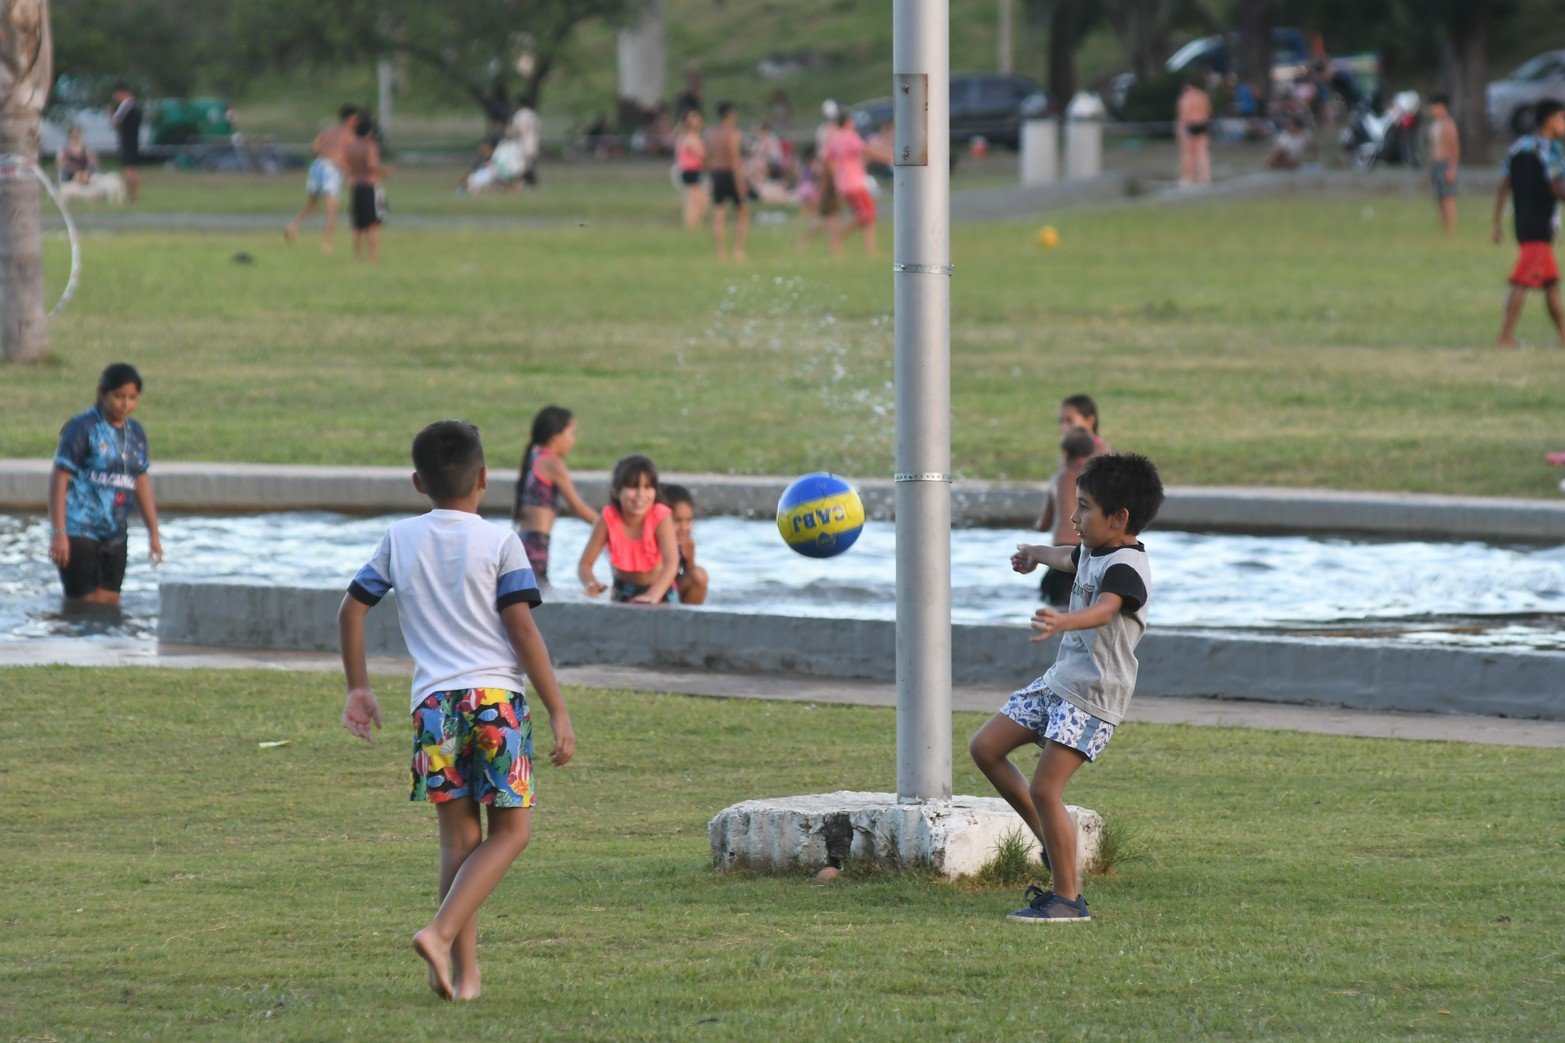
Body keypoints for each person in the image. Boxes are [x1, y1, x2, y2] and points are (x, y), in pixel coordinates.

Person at [337, 419, 575, 1001]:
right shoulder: (501, 542)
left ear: (418, 482)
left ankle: (464, 978)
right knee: (512, 833)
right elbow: (521, 628)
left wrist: (359, 688)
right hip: (495, 699)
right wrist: (558, 710)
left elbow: (351, 609)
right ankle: (440, 934)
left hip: (435, 707)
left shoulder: (399, 539)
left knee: (458, 844)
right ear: (485, 478)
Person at [969, 453, 1165, 923]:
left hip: (1094, 695)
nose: (1073, 517)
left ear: (1119, 518)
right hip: (1060, 682)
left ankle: (1067, 900)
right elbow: (1068, 558)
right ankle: (1052, 845)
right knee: (986, 747)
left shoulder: (1127, 566)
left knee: (1046, 788)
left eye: (1084, 508)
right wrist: (1035, 555)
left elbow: (1105, 608)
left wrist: (1065, 621)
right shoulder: (1095, 550)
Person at [48, 362, 163, 605]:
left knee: (111, 601)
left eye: (132, 398)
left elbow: (140, 481)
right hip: (80, 529)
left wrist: (154, 533)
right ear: (102, 395)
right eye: (119, 396)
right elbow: (60, 478)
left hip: (115, 532)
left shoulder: (136, 434)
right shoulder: (83, 428)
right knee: (83, 604)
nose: (126, 404)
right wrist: (59, 533)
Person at [1491, 100, 1565, 349]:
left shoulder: (1519, 147)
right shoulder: (1551, 150)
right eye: (1561, 118)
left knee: (1551, 283)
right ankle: (1505, 337)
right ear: (1549, 120)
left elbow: (1503, 186)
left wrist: (1496, 222)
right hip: (1540, 224)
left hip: (1523, 221)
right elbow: (1555, 187)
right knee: (1521, 281)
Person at [512, 406, 597, 587]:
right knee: (537, 593)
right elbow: (578, 507)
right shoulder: (553, 463)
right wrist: (608, 527)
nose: (573, 441)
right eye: (571, 433)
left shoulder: (535, 455)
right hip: (536, 544)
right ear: (555, 436)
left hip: (525, 540)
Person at [577, 454, 679, 604]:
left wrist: (652, 596)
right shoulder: (608, 519)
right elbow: (584, 564)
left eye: (647, 487)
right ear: (616, 491)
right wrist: (590, 583)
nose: (641, 494)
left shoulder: (660, 517)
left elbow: (672, 562)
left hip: (660, 589)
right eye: (633, 487)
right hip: (623, 591)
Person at [1035, 427, 1097, 607]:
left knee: (1055, 604)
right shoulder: (1096, 480)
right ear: (1091, 452)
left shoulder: (1059, 478)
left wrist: (1037, 525)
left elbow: (1044, 524)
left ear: (1064, 453)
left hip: (1061, 559)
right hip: (1086, 555)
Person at [286, 105, 359, 252]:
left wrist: (325, 153)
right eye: (356, 118)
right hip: (331, 169)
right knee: (332, 209)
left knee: (312, 204)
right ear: (351, 118)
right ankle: (327, 243)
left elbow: (314, 147)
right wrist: (350, 174)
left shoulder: (329, 130)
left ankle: (293, 225)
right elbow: (344, 158)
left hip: (317, 165)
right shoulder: (350, 134)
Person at [823, 113, 891, 255]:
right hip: (854, 182)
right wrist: (888, 158)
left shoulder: (835, 138)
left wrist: (833, 175)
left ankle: (870, 248)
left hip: (842, 182)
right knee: (866, 214)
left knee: (866, 215)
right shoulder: (850, 136)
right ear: (847, 122)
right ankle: (840, 236)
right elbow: (865, 151)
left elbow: (827, 158)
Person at [706, 102, 749, 261]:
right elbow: (734, 159)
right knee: (742, 212)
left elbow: (708, 156)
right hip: (730, 173)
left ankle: (721, 252)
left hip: (716, 173)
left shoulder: (711, 133)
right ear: (730, 115)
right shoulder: (733, 134)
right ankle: (738, 250)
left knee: (719, 213)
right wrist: (740, 181)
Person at [344, 115, 386, 264]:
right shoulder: (370, 146)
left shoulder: (350, 146)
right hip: (369, 186)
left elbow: (347, 163)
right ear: (369, 132)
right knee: (371, 224)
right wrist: (385, 171)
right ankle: (373, 257)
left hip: (355, 185)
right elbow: (372, 166)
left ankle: (356, 256)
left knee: (358, 225)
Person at [661, 483, 709, 605]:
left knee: (699, 576)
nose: (684, 528)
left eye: (689, 520)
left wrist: (689, 562)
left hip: (670, 593)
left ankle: (689, 620)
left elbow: (694, 579)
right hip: (646, 593)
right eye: (677, 520)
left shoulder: (686, 544)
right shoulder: (651, 542)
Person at [1426, 93, 1460, 234]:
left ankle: (1451, 227)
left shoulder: (1449, 124)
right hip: (1436, 163)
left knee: (1447, 198)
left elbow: (1454, 147)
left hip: (1446, 163)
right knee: (1439, 197)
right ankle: (1444, 225)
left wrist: (1451, 169)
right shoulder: (1435, 125)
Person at [674, 110, 708, 229]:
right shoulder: (690, 137)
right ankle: (692, 225)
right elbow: (702, 154)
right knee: (695, 201)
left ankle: (693, 224)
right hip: (690, 171)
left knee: (697, 200)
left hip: (693, 171)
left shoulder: (688, 136)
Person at [1176, 79, 1213, 187]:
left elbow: (1183, 113)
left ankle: (1187, 178)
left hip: (1191, 124)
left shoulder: (1186, 98)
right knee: (1202, 152)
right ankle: (1205, 176)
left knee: (1188, 153)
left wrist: (1180, 128)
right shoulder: (1203, 96)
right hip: (1202, 123)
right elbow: (1209, 111)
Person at [109, 84, 143, 202]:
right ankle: (134, 193)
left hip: (127, 141)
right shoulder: (135, 105)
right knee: (131, 168)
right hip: (133, 141)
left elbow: (116, 121)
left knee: (128, 170)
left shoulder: (126, 106)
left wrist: (110, 113)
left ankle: (133, 194)